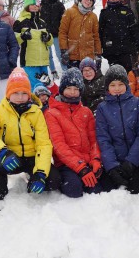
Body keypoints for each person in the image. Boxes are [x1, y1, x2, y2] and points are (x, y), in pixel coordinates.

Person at [0, 67, 52, 210]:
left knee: (53, 182)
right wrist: (2, 152)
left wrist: (40, 173)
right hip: (9, 159)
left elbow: (44, 144)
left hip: (30, 158)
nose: (20, 97)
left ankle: (32, 176)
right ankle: (0, 188)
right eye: (15, 93)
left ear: (29, 95)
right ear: (8, 94)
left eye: (24, 93)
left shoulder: (36, 113)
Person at [44, 68, 108, 198]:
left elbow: (94, 140)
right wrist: (80, 168)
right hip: (67, 163)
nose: (72, 93)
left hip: (87, 160)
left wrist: (95, 159)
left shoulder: (86, 112)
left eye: (76, 89)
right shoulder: (52, 113)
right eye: (69, 88)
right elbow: (59, 146)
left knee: (102, 187)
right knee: (74, 189)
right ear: (62, 89)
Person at [96, 65, 139, 194]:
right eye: (112, 85)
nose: (117, 89)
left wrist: (132, 161)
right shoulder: (102, 108)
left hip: (134, 161)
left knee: (135, 189)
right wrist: (111, 166)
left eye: (120, 84)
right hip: (114, 161)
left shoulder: (137, 103)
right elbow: (103, 139)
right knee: (108, 188)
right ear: (107, 87)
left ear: (126, 84)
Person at [12, 0, 53, 91]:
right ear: (27, 6)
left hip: (43, 61)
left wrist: (48, 38)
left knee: (45, 87)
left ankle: (44, 106)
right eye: (32, 4)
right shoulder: (20, 21)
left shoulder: (42, 22)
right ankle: (34, 105)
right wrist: (22, 36)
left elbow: (50, 42)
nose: (35, 7)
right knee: (35, 87)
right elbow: (13, 40)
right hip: (29, 62)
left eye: (37, 5)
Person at [98, 0, 139, 72]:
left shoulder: (127, 11)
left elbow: (134, 28)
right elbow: (101, 32)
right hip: (111, 50)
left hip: (125, 48)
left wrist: (138, 43)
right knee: (115, 73)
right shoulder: (104, 13)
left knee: (128, 72)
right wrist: (101, 47)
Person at [58, 0, 101, 69]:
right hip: (73, 55)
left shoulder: (93, 16)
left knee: (88, 79)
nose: (88, 2)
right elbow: (63, 32)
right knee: (74, 80)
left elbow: (96, 36)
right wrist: (64, 50)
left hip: (88, 56)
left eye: (91, 1)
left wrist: (98, 54)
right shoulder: (70, 12)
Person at [38, 0, 66, 78]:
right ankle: (53, 71)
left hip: (57, 34)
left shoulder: (58, 4)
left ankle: (65, 71)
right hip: (45, 35)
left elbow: (64, 19)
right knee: (48, 55)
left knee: (60, 54)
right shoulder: (40, 6)